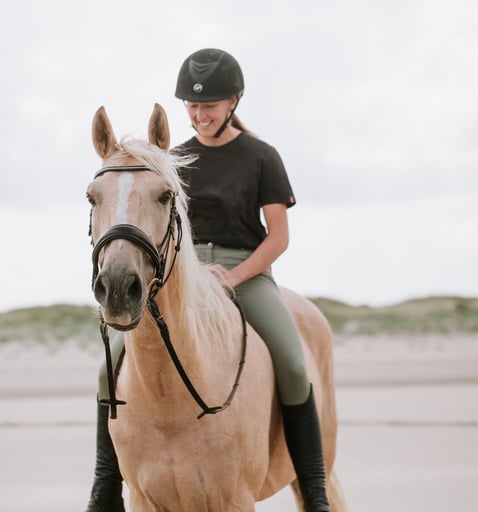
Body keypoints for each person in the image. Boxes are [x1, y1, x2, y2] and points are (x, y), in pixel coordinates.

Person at [84, 48, 330, 512]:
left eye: (209, 106)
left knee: (295, 367)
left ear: (234, 101)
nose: (199, 115)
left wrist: (233, 276)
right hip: (182, 273)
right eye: (192, 107)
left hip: (247, 273)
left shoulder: (262, 157)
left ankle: (315, 494)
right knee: (108, 367)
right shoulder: (169, 162)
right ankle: (104, 489)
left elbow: (278, 238)